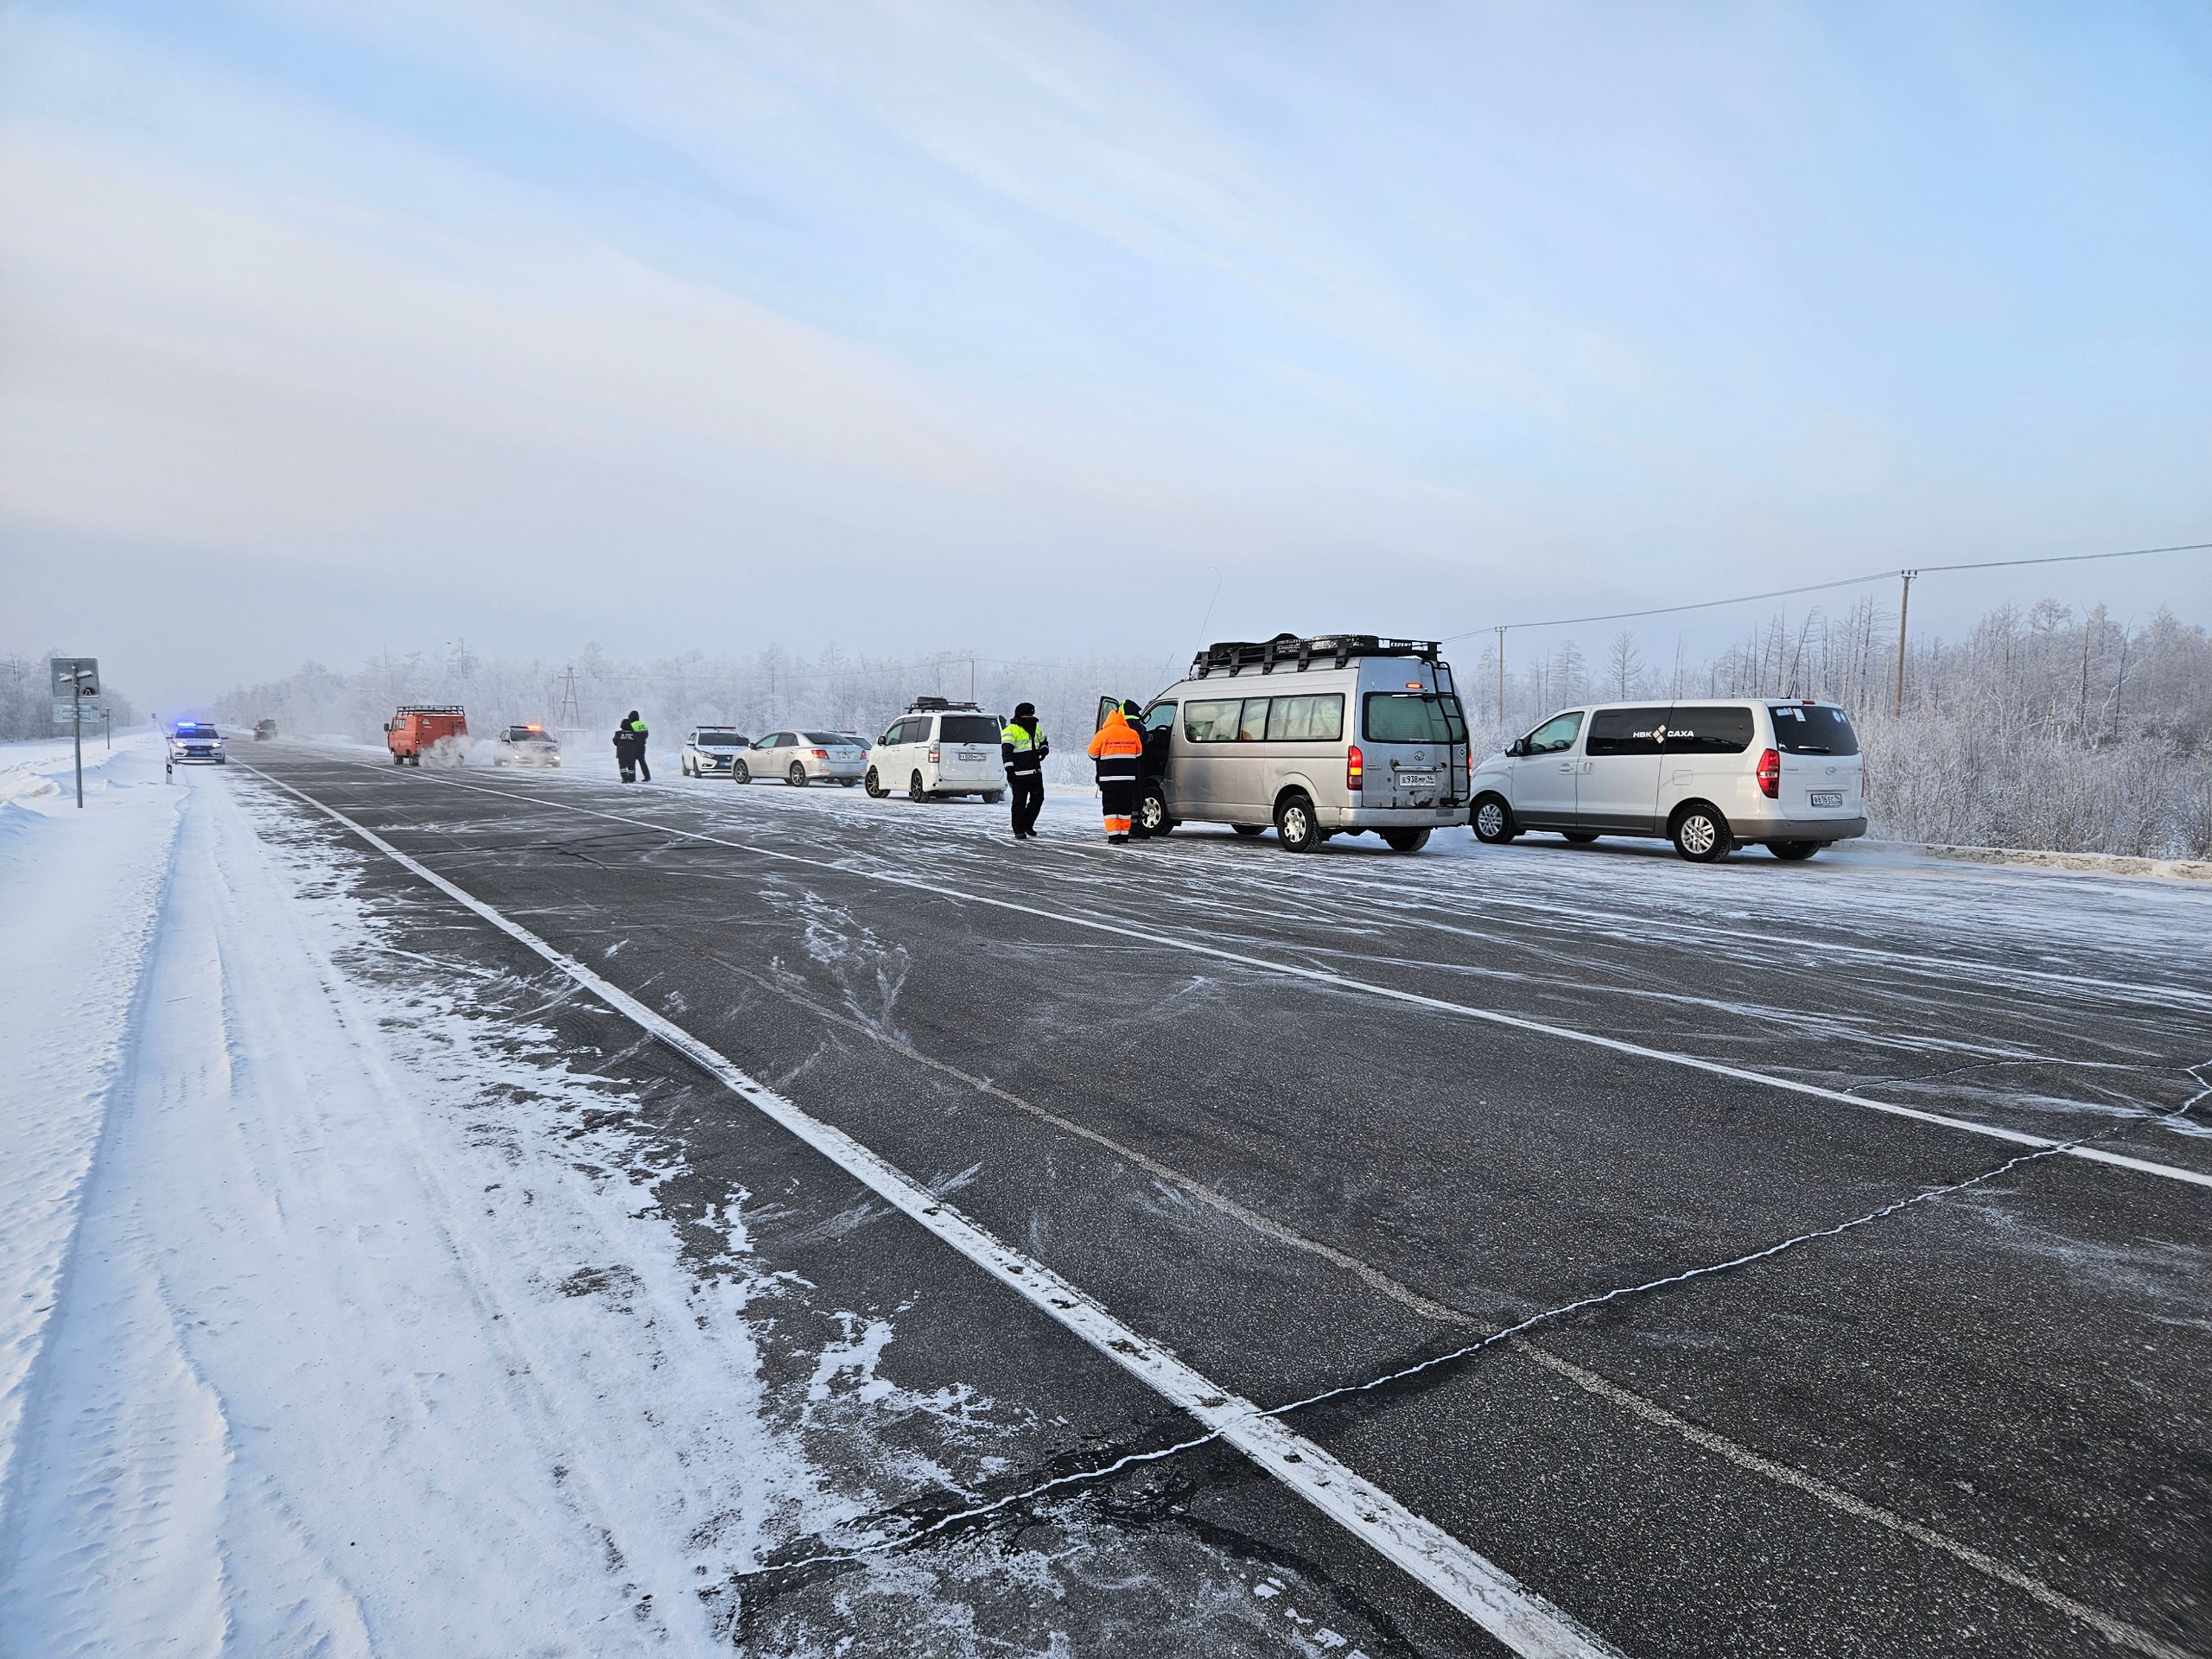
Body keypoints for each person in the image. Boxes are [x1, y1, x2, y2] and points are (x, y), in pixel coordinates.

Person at [1087, 700, 1144, 844]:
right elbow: (1139, 753)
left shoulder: (1102, 734)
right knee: (1125, 807)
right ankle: (1124, 835)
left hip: (1108, 780)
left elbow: (1092, 754)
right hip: (1128, 779)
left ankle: (1113, 836)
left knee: (1111, 807)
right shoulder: (1132, 734)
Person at [1001, 702, 1049, 839]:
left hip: (1035, 772)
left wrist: (1044, 748)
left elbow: (1043, 740)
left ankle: (1028, 824)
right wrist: (1009, 770)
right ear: (1019, 715)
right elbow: (1007, 752)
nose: (1029, 717)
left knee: (1038, 799)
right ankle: (1019, 830)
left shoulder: (1036, 727)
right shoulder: (1010, 730)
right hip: (1018, 774)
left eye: (1031, 714)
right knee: (1019, 802)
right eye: (1027, 715)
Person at [613, 710, 650, 782]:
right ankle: (647, 776)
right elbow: (646, 735)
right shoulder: (643, 724)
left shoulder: (632, 725)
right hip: (642, 745)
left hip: (634, 746)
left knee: (631, 762)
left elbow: (631, 735)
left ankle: (631, 778)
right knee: (642, 761)